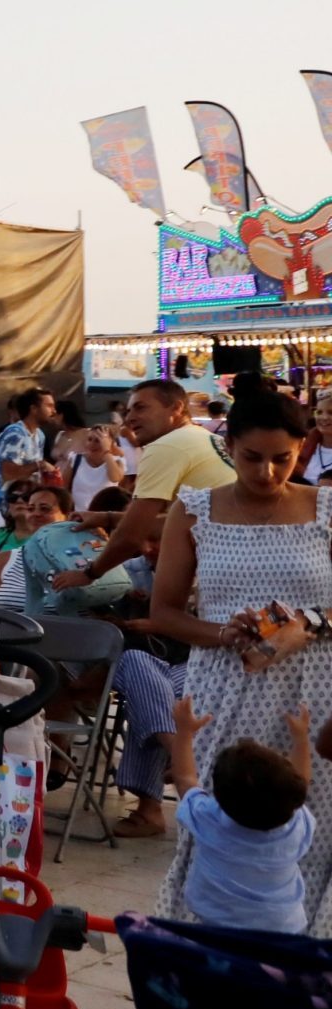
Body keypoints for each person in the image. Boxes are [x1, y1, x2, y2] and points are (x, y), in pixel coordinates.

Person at [154, 389, 332, 936]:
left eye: (283, 458)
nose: (268, 471)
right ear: (228, 447)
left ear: (303, 447)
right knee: (215, 816)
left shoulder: (325, 506)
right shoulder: (194, 509)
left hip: (313, 688)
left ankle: (305, 952)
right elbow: (162, 611)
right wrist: (220, 631)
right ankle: (208, 944)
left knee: (311, 823)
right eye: (252, 457)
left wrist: (309, 627)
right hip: (222, 688)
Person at [161, 698, 315, 1009]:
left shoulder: (210, 820)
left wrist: (186, 733)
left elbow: (185, 778)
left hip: (220, 944)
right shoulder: (295, 827)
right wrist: (301, 738)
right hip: (285, 944)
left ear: (222, 798)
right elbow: (301, 780)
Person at [55, 379, 233, 599]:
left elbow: (134, 533)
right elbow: (179, 522)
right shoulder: (206, 438)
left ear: (176, 408)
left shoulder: (167, 445)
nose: (130, 418)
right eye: (129, 410)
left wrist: (89, 574)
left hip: (227, 570)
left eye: (141, 408)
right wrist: (107, 517)